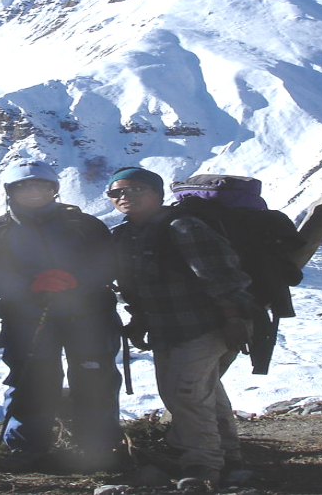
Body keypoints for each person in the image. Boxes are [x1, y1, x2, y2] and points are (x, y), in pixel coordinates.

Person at [105, 166, 257, 491]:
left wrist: (233, 319)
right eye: (116, 192)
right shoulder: (124, 235)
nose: (124, 197)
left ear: (157, 194)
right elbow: (136, 287)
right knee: (205, 393)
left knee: (185, 395)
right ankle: (230, 459)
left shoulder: (183, 227)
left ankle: (203, 467)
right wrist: (138, 321)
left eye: (135, 190)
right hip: (167, 328)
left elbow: (221, 275)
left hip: (207, 326)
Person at [0, 161, 124, 473]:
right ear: (10, 191)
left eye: (42, 185)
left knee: (96, 377)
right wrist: (29, 286)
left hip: (89, 315)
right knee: (31, 379)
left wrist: (77, 280)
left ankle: (97, 445)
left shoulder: (86, 225)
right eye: (24, 186)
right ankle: (28, 445)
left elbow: (110, 262)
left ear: (54, 189)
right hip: (26, 318)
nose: (34, 191)